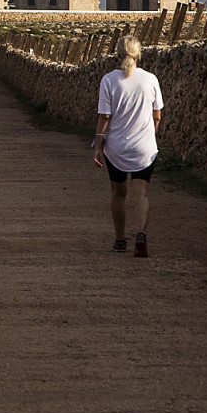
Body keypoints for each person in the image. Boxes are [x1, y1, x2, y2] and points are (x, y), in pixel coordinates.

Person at [92, 35, 163, 257]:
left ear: (117, 54)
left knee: (119, 192)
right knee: (141, 193)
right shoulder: (150, 79)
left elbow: (105, 116)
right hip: (144, 146)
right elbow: (157, 115)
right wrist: (149, 134)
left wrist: (98, 144)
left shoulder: (109, 80)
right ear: (139, 54)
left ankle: (120, 239)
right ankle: (141, 235)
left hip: (117, 147)